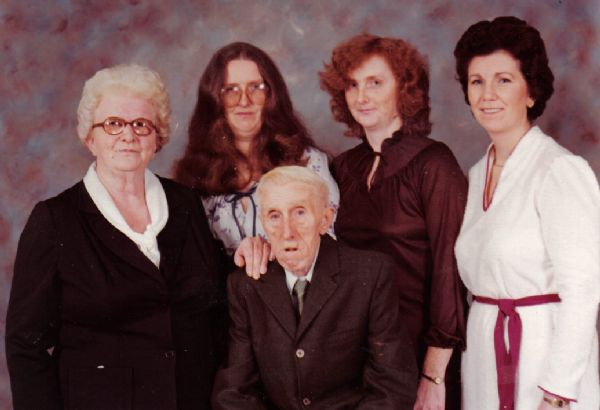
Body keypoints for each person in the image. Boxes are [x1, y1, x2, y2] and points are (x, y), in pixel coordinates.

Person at [5, 64, 224, 410]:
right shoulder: (55, 220)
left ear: (158, 137)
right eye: (113, 124)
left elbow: (214, 314)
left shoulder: (185, 204)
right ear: (90, 137)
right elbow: (25, 345)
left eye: (141, 124)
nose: (128, 135)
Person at [453, 16, 600, 410]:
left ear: (530, 92)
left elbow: (584, 291)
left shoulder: (558, 170)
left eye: (503, 80)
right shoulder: (475, 175)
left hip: (544, 360)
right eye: (476, 81)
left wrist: (556, 393)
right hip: (485, 356)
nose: (488, 94)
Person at [319, 34, 467, 409]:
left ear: (404, 88)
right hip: (357, 358)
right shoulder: (342, 168)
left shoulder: (435, 163)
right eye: (352, 85)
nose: (361, 96)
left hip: (421, 354)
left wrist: (433, 376)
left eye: (375, 82)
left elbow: (450, 274)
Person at [212, 165, 418, 409]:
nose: (287, 231)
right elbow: (234, 391)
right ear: (263, 223)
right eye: (274, 216)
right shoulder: (245, 285)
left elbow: (392, 385)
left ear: (325, 220)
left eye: (299, 213)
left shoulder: (370, 273)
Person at [174, 42, 339, 266]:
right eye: (230, 90)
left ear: (273, 96)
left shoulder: (308, 162)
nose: (244, 101)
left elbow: (327, 242)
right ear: (214, 100)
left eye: (256, 88)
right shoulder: (192, 175)